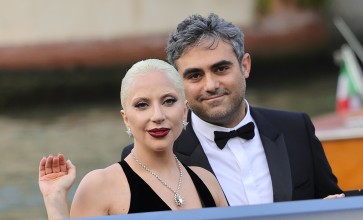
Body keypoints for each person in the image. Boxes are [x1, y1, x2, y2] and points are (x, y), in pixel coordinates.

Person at [121, 13, 363, 206]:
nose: (210, 84)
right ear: (179, 82)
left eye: (220, 68)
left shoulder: (295, 128)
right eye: (194, 75)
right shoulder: (151, 152)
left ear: (244, 65)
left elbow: (330, 203)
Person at [38, 59, 228, 219]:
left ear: (185, 110)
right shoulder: (100, 186)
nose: (157, 115)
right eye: (142, 104)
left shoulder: (207, 181)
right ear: (126, 118)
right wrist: (54, 200)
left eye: (168, 101)